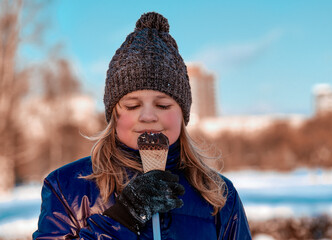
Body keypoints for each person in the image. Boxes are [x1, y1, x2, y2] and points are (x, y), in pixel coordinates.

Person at [33, 12, 252, 240]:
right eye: (132, 105)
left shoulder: (219, 194)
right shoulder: (66, 188)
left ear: (183, 116)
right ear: (113, 116)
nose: (148, 116)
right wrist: (123, 217)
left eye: (163, 105)